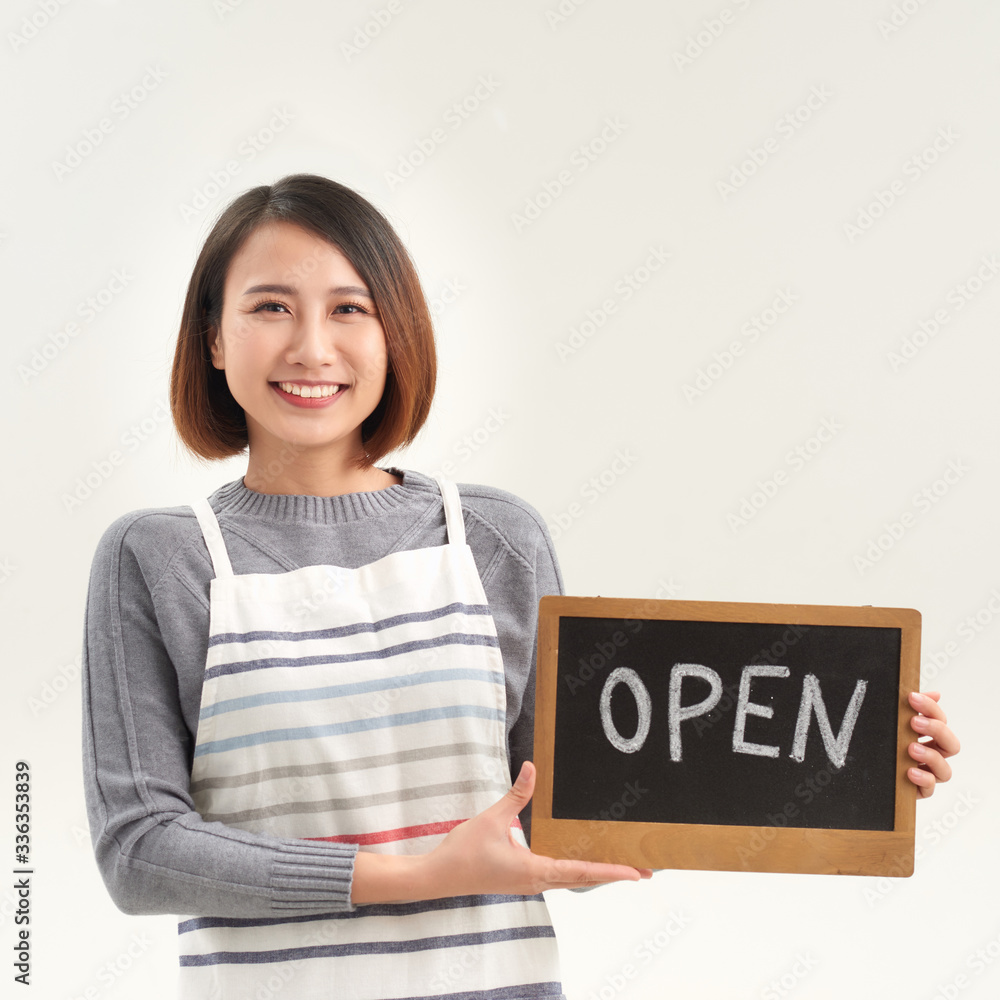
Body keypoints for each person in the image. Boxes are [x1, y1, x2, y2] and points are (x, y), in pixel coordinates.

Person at [81, 173, 960, 999]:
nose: (312, 346)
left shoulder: (495, 537)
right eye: (270, 307)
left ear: (396, 335)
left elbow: (564, 812)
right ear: (212, 335)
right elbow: (141, 853)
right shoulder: (158, 559)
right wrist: (414, 877)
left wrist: (858, 764)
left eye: (351, 308)